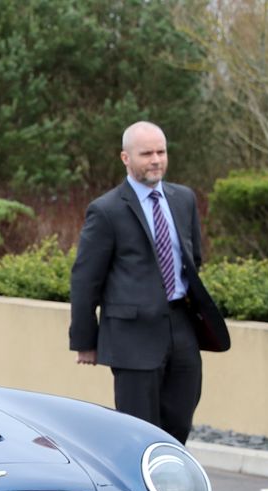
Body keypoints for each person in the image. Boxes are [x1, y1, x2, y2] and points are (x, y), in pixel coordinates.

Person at [69, 121, 209, 444]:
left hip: (182, 328)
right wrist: (85, 341)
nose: (156, 160)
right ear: (126, 158)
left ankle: (170, 475)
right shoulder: (106, 211)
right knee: (138, 432)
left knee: (180, 422)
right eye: (146, 154)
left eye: (161, 152)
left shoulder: (184, 199)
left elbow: (193, 259)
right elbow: (85, 279)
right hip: (132, 337)